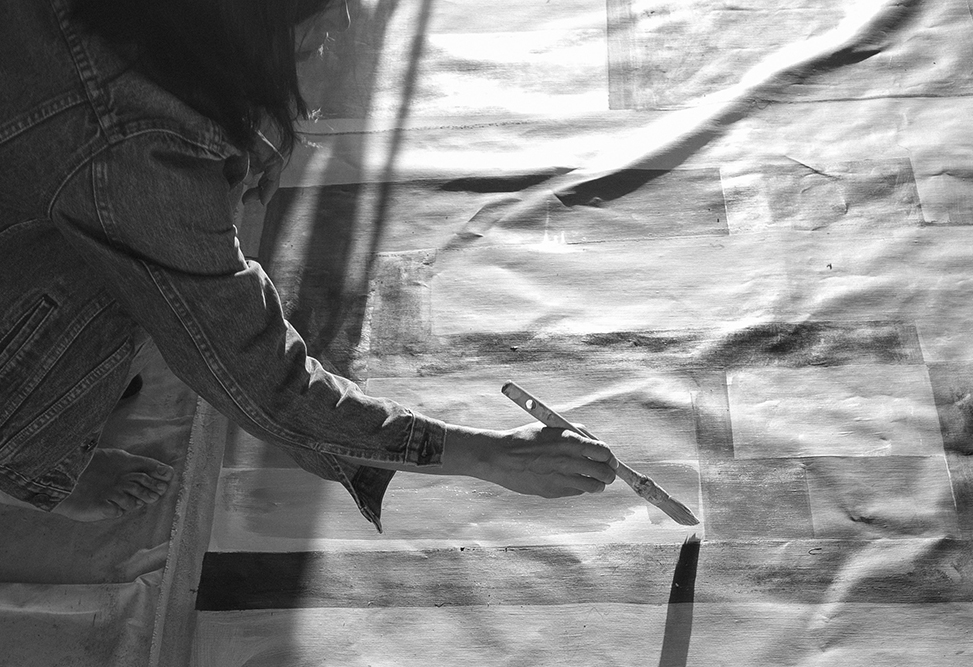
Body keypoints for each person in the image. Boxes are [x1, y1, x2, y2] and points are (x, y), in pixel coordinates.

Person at [0, 0, 618, 529]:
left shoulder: (144, 41)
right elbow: (257, 375)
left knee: (144, 245)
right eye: (315, 16)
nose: (342, 23)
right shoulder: (136, 153)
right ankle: (22, 451)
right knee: (144, 277)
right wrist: (489, 455)